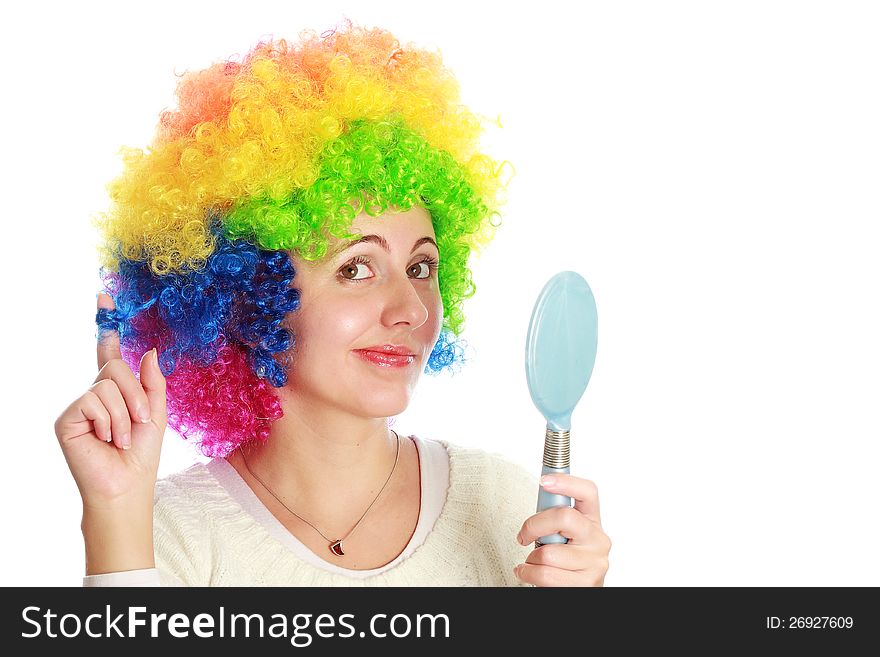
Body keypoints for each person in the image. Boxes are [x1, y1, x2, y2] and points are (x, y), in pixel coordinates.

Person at [53, 21, 611, 586]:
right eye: (357, 268)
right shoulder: (161, 535)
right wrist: (116, 512)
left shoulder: (510, 508)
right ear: (249, 301)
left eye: (421, 268)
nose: (412, 311)